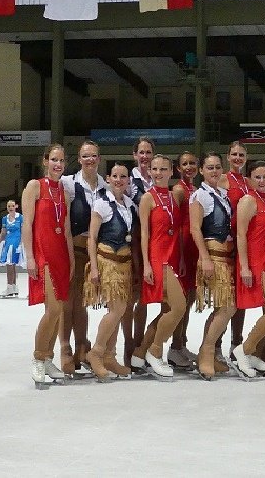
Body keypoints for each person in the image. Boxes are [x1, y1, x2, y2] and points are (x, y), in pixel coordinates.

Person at [130, 154, 187, 381]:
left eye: (164, 169)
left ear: (171, 172)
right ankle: (155, 351)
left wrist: (181, 257)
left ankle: (139, 353)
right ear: (150, 172)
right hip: (157, 258)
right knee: (178, 307)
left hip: (173, 258)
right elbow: (144, 233)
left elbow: (179, 231)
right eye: (155, 169)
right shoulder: (147, 198)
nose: (159, 173)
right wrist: (146, 264)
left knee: (167, 311)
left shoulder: (175, 197)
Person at [22, 143, 74, 388]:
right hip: (43, 255)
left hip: (62, 256)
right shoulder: (34, 187)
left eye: (62, 161)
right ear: (45, 161)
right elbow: (27, 224)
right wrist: (29, 257)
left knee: (60, 311)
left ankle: (50, 358)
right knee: (52, 310)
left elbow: (65, 229)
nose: (58, 165)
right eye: (54, 159)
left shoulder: (63, 191)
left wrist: (72, 259)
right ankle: (38, 358)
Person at [190, 153, 240, 380]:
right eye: (209, 167)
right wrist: (205, 258)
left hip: (226, 257)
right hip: (213, 257)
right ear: (201, 170)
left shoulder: (222, 194)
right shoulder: (200, 196)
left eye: (217, 167)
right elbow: (195, 229)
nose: (214, 171)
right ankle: (207, 352)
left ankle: (205, 352)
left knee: (224, 307)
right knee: (227, 307)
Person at [83, 163, 136, 381]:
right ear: (108, 178)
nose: (119, 180)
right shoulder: (101, 204)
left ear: (128, 180)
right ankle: (96, 353)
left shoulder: (130, 204)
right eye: (115, 176)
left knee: (120, 312)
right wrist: (94, 267)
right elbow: (92, 238)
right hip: (108, 262)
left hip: (125, 264)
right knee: (117, 309)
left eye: (123, 176)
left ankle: (109, 357)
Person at [232, 160, 265, 378]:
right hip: (254, 262)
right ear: (249, 179)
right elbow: (240, 234)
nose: (262, 181)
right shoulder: (248, 201)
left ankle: (253, 352)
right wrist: (244, 266)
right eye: (257, 177)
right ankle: (242, 350)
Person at [60, 140, 107, 376]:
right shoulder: (68, 184)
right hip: (74, 250)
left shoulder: (106, 186)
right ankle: (65, 348)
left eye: (93, 156)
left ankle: (82, 345)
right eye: (85, 156)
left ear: (99, 159)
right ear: (79, 160)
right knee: (68, 302)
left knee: (84, 303)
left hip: (96, 253)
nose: (90, 160)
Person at [218, 141, 251, 365]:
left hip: (246, 243)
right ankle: (216, 344)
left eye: (241, 154)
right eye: (234, 154)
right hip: (227, 242)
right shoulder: (222, 180)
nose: (238, 158)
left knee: (239, 297)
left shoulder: (249, 182)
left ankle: (236, 341)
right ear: (228, 157)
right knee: (225, 297)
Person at [124, 136, 154, 366]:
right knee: (129, 297)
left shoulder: (157, 179)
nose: (144, 156)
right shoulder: (128, 179)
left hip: (152, 241)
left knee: (143, 298)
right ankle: (128, 344)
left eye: (148, 152)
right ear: (135, 155)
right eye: (141, 152)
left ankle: (140, 344)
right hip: (131, 239)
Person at [168, 151, 200, 369]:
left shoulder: (195, 190)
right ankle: (174, 345)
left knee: (188, 300)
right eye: (184, 164)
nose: (189, 167)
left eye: (192, 163)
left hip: (194, 249)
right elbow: (177, 227)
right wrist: (179, 255)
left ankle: (181, 343)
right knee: (180, 302)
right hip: (183, 249)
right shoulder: (179, 190)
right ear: (178, 168)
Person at [0, 199, 25, 298]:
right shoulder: (5, 219)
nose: (10, 208)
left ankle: (9, 287)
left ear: (16, 206)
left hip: (16, 243)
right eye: (9, 206)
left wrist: (21, 244)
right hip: (8, 244)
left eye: (12, 206)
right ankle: (13, 286)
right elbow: (3, 232)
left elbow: (23, 231)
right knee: (11, 265)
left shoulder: (20, 218)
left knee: (10, 265)